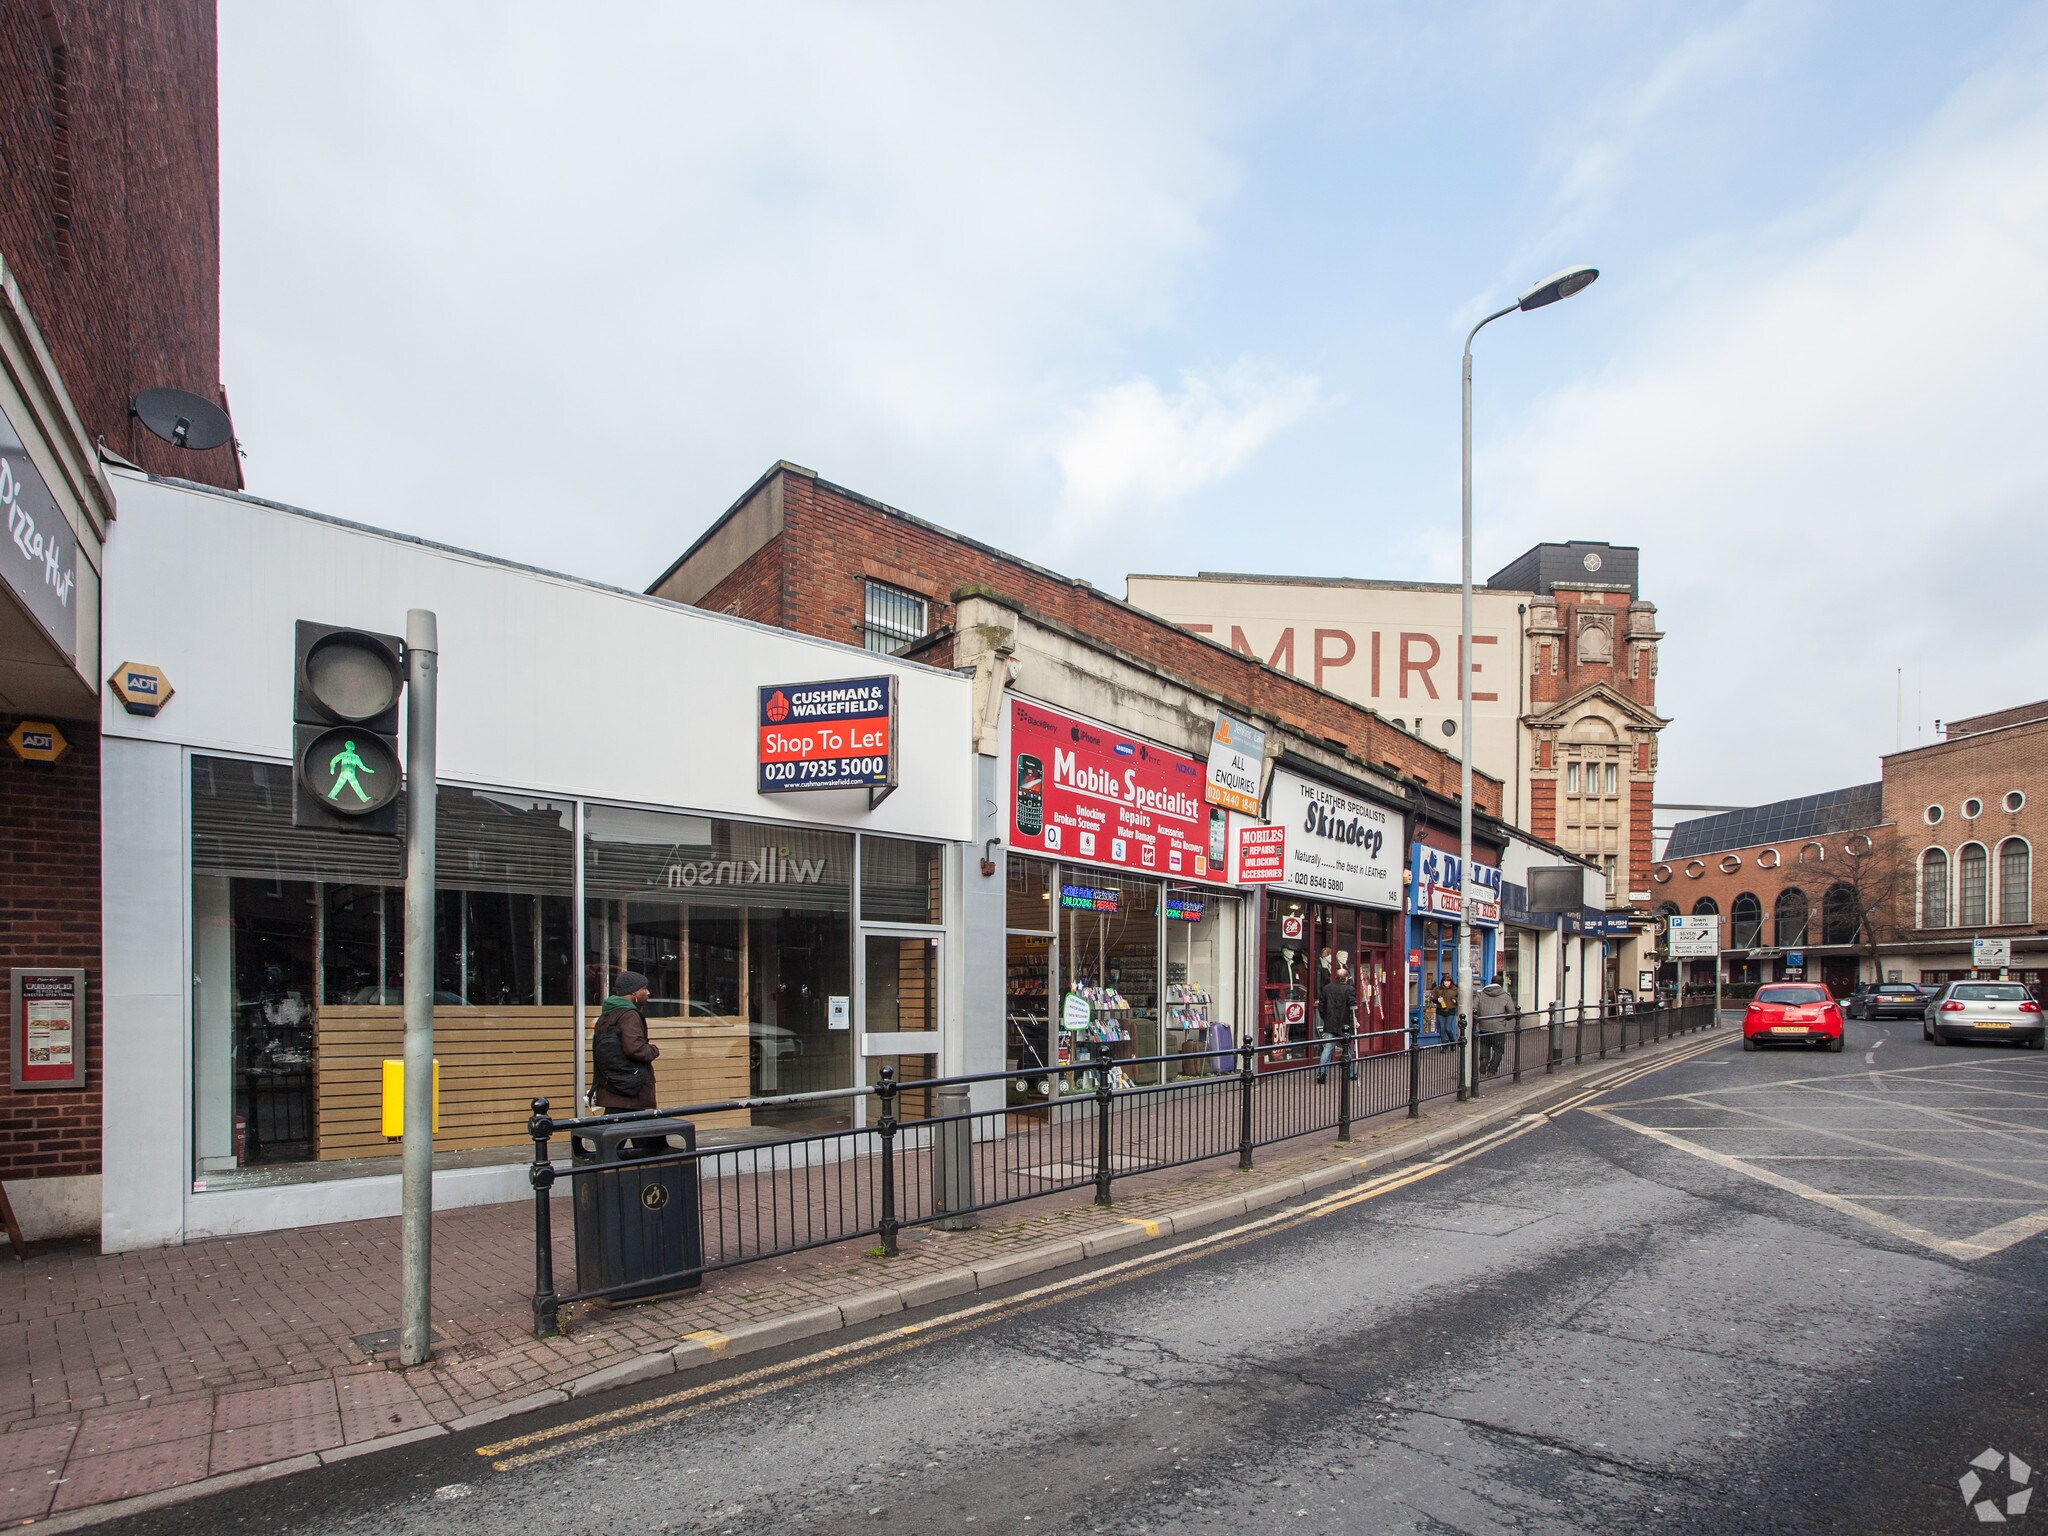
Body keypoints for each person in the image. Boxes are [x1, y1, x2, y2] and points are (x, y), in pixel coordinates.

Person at [592, 970, 660, 1113]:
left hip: (612, 1087)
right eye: (644, 988)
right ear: (633, 992)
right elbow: (635, 1049)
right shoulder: (629, 1015)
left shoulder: (607, 1014)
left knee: (614, 1132)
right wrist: (653, 1050)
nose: (647, 993)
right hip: (632, 1091)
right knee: (646, 1132)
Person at [1316, 964, 1358, 1084]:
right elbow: (1352, 1007)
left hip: (1330, 1023)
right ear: (1346, 978)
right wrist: (1354, 1019)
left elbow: (1321, 1007)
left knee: (1327, 1049)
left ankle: (1322, 1073)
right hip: (1345, 1025)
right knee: (1348, 1049)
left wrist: (1325, 1018)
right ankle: (1349, 1074)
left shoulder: (1327, 988)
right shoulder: (1349, 989)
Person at [1474, 972, 1515, 1075]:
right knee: (1499, 1049)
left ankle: (1484, 1060)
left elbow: (1474, 1008)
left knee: (1485, 1045)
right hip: (1498, 1026)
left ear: (1491, 982)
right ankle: (1492, 1070)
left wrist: (1480, 1018)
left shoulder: (1481, 994)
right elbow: (1512, 1012)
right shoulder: (1505, 996)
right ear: (1501, 983)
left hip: (1484, 1025)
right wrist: (1506, 1018)